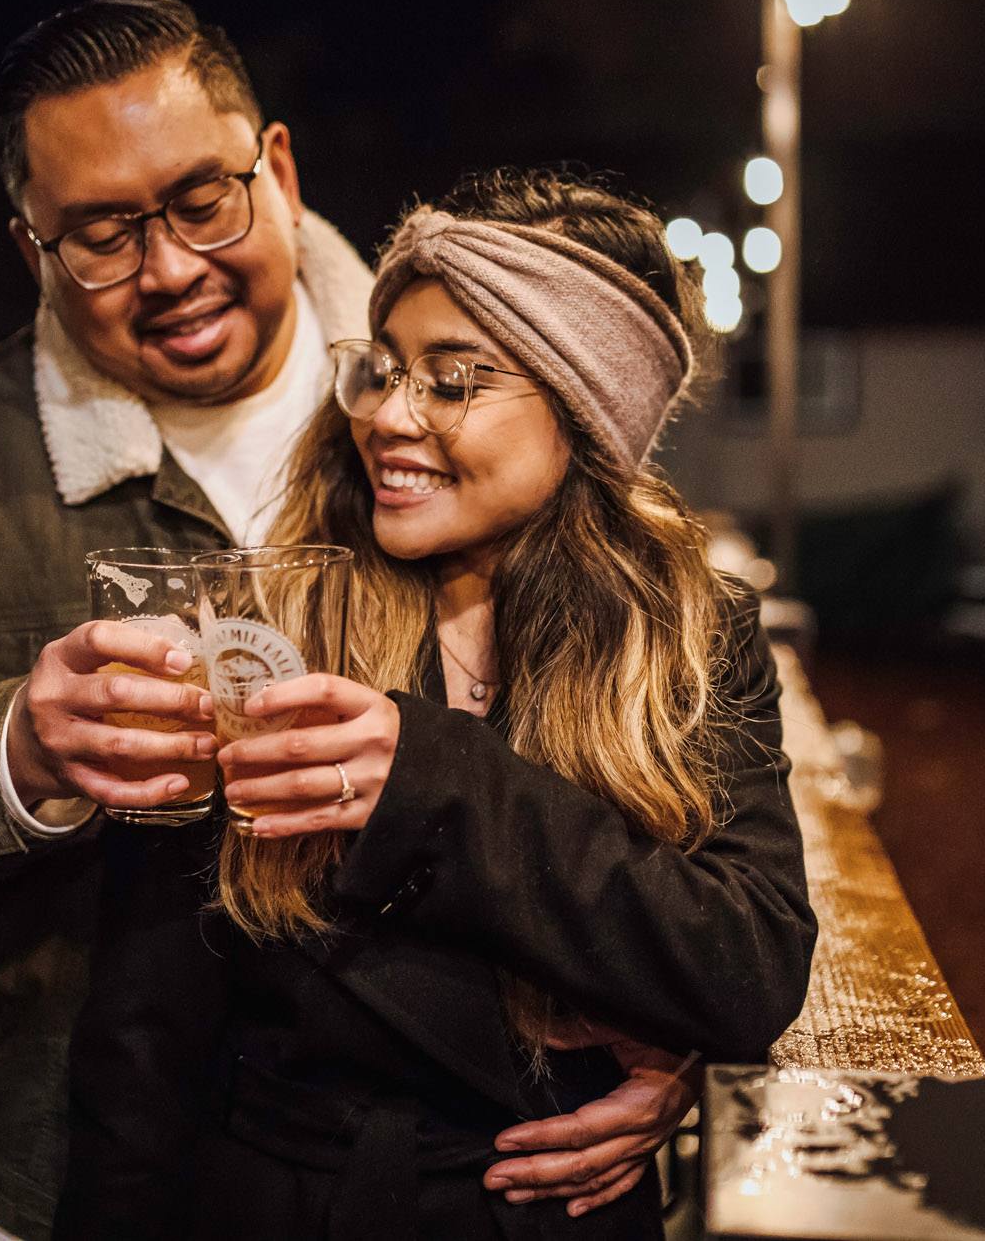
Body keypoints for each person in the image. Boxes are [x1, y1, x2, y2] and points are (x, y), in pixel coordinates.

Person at [0, 0, 708, 1241]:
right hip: (60, 1180)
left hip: (460, 1174)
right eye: (98, 233)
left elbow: (660, 761)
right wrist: (15, 756)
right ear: (31, 249)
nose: (171, 267)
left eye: (202, 199)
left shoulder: (463, 394)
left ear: (279, 171)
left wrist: (662, 1027)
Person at [136, 168, 816, 1239]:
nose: (387, 418)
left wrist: (431, 784)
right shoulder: (267, 618)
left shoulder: (684, 634)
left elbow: (749, 964)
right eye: (384, 369)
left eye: (452, 380)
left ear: (586, 407)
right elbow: (145, 1015)